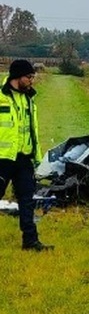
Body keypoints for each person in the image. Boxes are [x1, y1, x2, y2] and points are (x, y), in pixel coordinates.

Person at [0, 59, 52, 251]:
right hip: (3, 158)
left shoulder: (30, 100)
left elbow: (32, 131)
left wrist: (36, 157)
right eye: (29, 77)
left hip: (24, 158)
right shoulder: (1, 97)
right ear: (17, 77)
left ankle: (30, 241)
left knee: (27, 201)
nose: (32, 80)